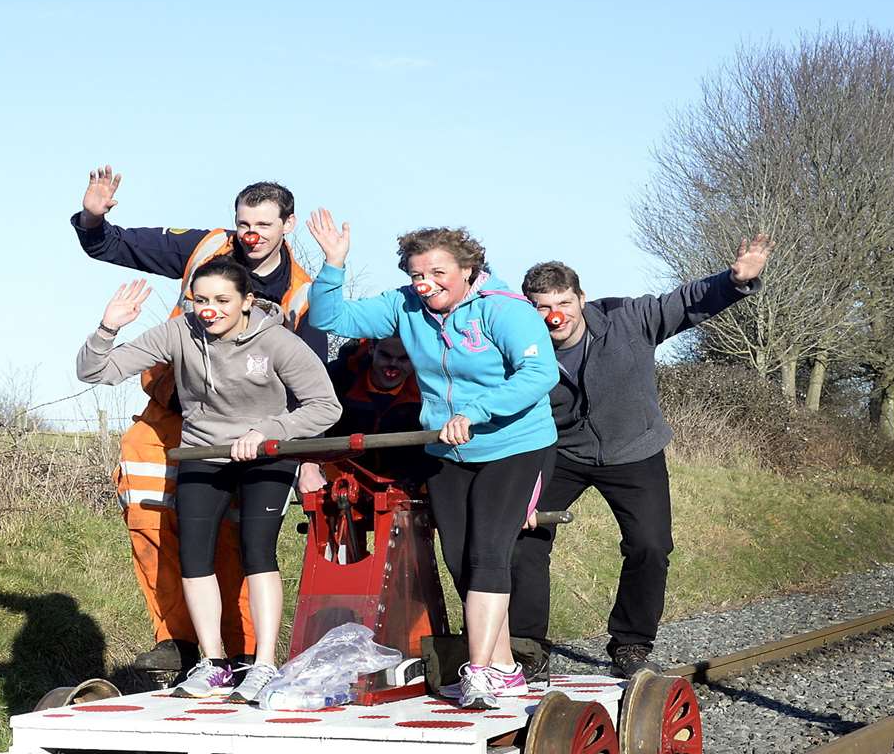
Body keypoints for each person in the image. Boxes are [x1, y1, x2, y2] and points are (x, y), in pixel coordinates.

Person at [72, 168, 329, 675]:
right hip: (175, 414)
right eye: (242, 222)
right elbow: (113, 247)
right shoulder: (205, 249)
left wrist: (306, 458)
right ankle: (181, 643)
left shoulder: (301, 296)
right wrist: (93, 218)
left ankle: (252, 654)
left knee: (248, 542)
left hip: (258, 430)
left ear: (288, 226)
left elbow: (316, 393)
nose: (250, 234)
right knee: (158, 523)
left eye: (263, 224)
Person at [306, 211, 558, 708]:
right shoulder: (404, 307)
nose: (426, 284)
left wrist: (478, 409)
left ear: (467, 269)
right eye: (417, 274)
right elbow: (329, 318)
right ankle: (506, 666)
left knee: (489, 553)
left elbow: (539, 373)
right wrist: (333, 264)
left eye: (437, 273)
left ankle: (481, 671)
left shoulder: (504, 309)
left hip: (516, 445)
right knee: (461, 560)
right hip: (448, 448)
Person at [508, 238, 773, 679]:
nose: (555, 314)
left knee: (650, 545)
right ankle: (526, 645)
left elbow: (686, 302)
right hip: (561, 452)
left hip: (634, 449)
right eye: (541, 306)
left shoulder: (628, 318)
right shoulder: (519, 346)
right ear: (528, 308)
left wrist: (735, 281)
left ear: (581, 300)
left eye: (563, 302)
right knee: (523, 536)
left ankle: (631, 644)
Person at [327, 336, 429, 482]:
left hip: (409, 480)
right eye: (385, 356)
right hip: (342, 474)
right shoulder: (339, 378)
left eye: (404, 358)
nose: (393, 365)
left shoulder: (430, 389)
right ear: (371, 349)